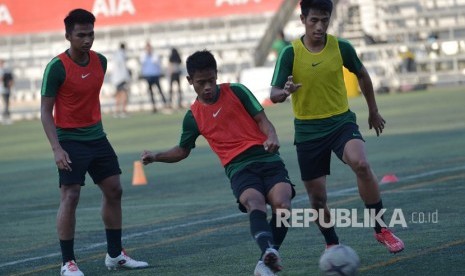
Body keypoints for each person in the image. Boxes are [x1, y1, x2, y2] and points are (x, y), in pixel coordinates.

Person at [141, 50, 295, 276]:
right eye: (201, 82)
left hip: (267, 158)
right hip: (239, 168)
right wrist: (156, 156)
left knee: (284, 206)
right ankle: (268, 252)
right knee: (255, 202)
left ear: (216, 75)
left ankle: (266, 258)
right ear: (189, 81)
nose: (207, 87)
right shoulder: (193, 116)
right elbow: (182, 151)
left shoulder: (237, 91)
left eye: (211, 80)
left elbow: (263, 120)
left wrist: (272, 136)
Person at [270, 0, 404, 254]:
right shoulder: (290, 53)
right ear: (302, 20)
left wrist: (373, 111)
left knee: (362, 164)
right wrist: (284, 92)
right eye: (314, 21)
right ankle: (332, 243)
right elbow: (274, 93)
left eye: (324, 21)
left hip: (341, 122)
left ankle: (381, 229)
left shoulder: (341, 47)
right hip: (308, 131)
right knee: (317, 198)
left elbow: (362, 74)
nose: (319, 27)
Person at [40, 9, 148, 276]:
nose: (87, 40)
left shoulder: (101, 61)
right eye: (81, 35)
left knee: (114, 190)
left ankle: (114, 255)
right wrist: (57, 148)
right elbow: (45, 112)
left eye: (91, 34)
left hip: (97, 137)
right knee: (71, 195)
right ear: (68, 36)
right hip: (69, 140)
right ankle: (68, 263)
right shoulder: (56, 67)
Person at [140, 41, 167, 113]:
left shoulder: (155, 55)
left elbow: (158, 64)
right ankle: (154, 106)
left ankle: (165, 105)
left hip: (155, 75)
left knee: (160, 90)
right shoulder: (143, 56)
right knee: (151, 92)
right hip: (148, 76)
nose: (148, 49)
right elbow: (142, 66)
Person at [111, 42, 131, 118]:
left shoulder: (116, 54)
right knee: (124, 94)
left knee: (118, 95)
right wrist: (127, 78)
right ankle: (123, 111)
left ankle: (117, 111)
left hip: (116, 79)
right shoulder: (122, 55)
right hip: (122, 78)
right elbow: (123, 68)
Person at [1, 59, 14, 125]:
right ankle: (5, 118)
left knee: (7, 104)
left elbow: (11, 80)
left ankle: (6, 118)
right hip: (2, 90)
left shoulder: (6, 71)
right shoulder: (2, 71)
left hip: (6, 90)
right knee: (6, 104)